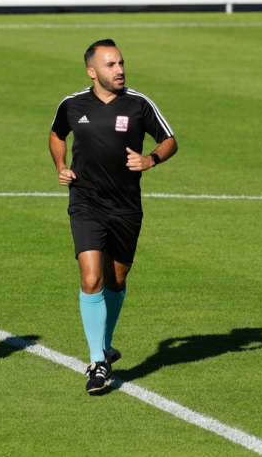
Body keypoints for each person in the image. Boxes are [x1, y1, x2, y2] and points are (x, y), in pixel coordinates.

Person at [49, 39, 178, 393]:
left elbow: (169, 140)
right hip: (86, 202)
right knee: (91, 277)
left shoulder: (138, 104)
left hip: (125, 206)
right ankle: (98, 362)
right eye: (111, 65)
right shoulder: (73, 105)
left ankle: (104, 344)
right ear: (92, 71)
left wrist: (150, 159)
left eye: (121, 63)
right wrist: (61, 165)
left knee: (115, 280)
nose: (119, 70)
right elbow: (57, 134)